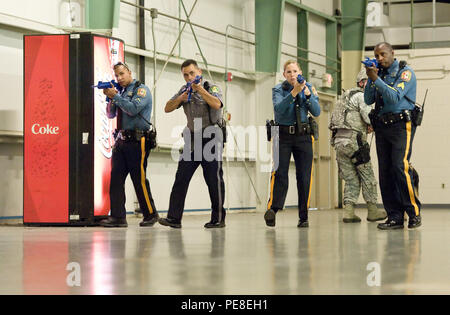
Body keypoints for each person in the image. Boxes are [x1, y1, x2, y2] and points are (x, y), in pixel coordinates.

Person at [159, 59, 226, 229]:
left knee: (213, 179)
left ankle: (218, 218)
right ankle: (174, 218)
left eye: (192, 73)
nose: (189, 77)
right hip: (192, 139)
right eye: (185, 75)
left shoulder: (212, 87)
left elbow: (217, 104)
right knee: (181, 177)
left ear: (199, 72)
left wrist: (200, 90)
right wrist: (181, 97)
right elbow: (167, 108)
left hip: (211, 137)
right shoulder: (184, 90)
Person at [364, 42, 422, 230]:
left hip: (400, 126)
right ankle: (395, 216)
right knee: (385, 172)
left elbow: (395, 97)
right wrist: (371, 78)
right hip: (382, 126)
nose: (380, 58)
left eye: (383, 54)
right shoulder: (378, 73)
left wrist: (376, 79)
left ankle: (413, 213)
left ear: (392, 53)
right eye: (377, 55)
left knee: (399, 166)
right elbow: (368, 99)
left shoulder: (405, 73)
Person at [100, 62, 159, 228]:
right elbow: (110, 114)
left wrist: (116, 97)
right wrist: (111, 98)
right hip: (121, 140)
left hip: (137, 140)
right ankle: (118, 217)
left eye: (121, 74)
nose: (119, 78)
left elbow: (133, 109)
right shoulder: (121, 91)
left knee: (138, 179)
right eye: (117, 75)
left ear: (129, 72)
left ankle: (150, 213)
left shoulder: (141, 90)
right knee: (116, 179)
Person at [264, 60, 321, 228]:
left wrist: (308, 95)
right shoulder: (278, 89)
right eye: (288, 72)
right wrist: (294, 93)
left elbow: (317, 111)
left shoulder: (308, 87)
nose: (292, 74)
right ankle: (273, 210)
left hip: (303, 135)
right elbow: (280, 108)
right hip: (281, 135)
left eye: (295, 71)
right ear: (284, 75)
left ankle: (303, 216)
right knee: (279, 173)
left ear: (300, 71)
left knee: (304, 176)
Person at [330, 68, 387, 223]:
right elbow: (369, 118)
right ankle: (373, 211)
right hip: (355, 143)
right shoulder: (361, 96)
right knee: (367, 175)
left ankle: (348, 212)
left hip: (339, 143)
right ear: (363, 82)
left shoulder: (344, 97)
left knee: (350, 179)